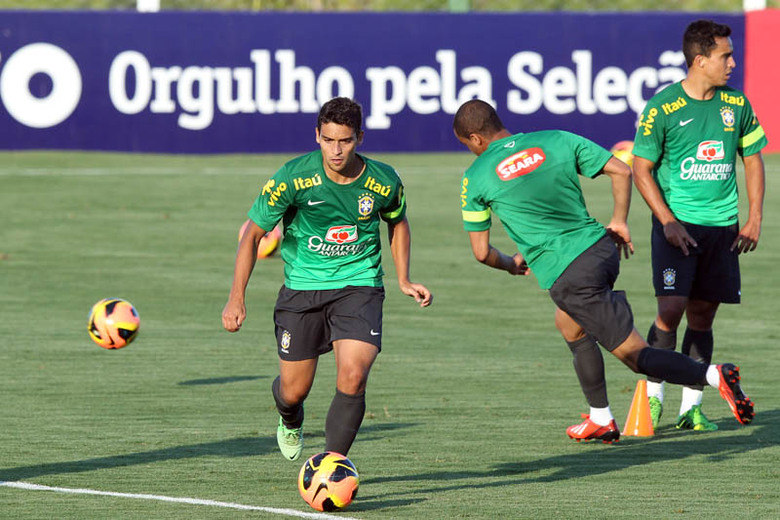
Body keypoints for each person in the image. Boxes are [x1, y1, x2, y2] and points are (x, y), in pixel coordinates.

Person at [453, 99, 753, 444]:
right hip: (600, 250)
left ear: (475, 140)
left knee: (636, 357)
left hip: (570, 274)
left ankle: (715, 376)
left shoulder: (475, 177)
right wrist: (619, 221)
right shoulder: (557, 138)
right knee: (568, 323)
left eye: (467, 147)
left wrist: (509, 264)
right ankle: (600, 417)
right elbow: (622, 171)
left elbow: (480, 252)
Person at [222, 97, 432, 461]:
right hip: (302, 290)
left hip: (360, 285)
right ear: (317, 135)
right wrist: (236, 297)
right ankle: (290, 419)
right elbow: (253, 235)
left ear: (360, 138)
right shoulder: (292, 177)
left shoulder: (383, 180)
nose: (336, 150)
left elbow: (397, 222)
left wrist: (404, 278)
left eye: (345, 141)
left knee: (353, 375)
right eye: (329, 140)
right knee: (293, 391)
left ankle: (331, 464)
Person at [632, 20, 765, 431]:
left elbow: (753, 159)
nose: (732, 62)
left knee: (703, 317)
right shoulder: (663, 107)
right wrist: (667, 221)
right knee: (670, 312)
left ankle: (691, 408)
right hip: (678, 227)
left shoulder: (737, 105)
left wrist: (755, 217)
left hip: (722, 228)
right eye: (725, 55)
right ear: (700, 59)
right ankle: (652, 398)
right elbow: (641, 169)